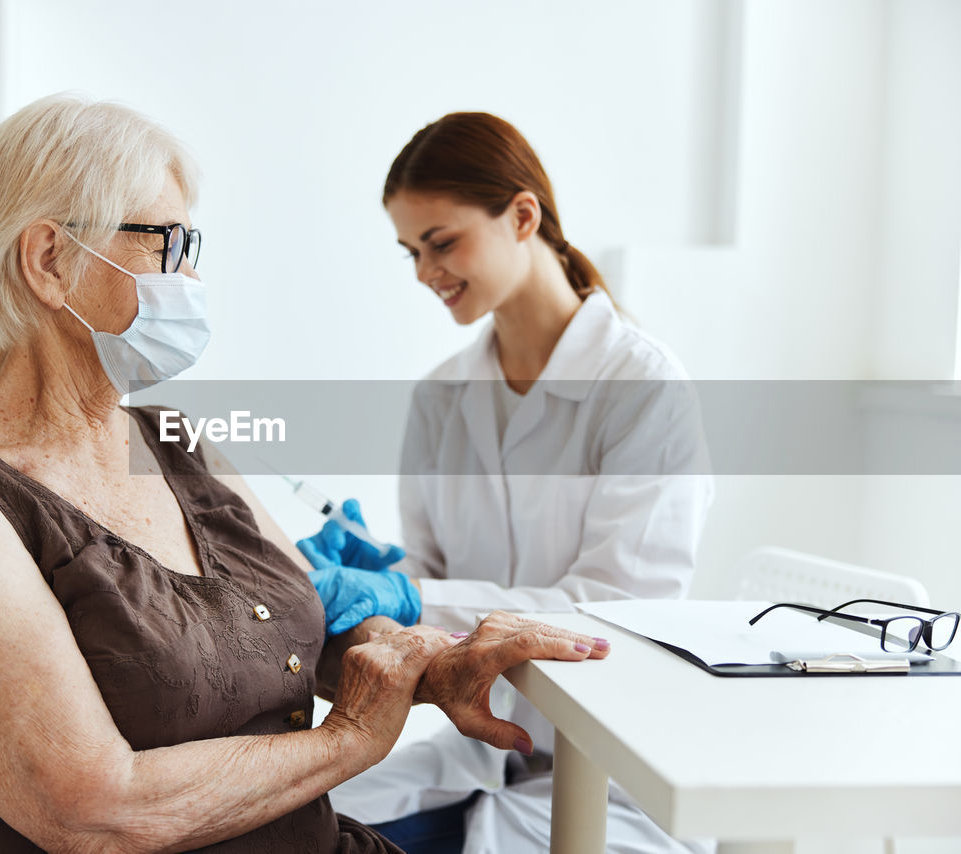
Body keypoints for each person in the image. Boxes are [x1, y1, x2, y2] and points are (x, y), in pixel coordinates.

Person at [0, 95, 613, 854]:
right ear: (50, 261)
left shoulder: (173, 440)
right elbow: (90, 812)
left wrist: (426, 659)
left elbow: (306, 633)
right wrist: (347, 738)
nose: (190, 276)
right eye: (169, 243)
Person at [298, 112, 715, 853]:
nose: (426, 273)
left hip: (613, 766)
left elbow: (616, 614)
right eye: (410, 253)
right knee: (292, 825)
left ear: (524, 216)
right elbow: (433, 580)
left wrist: (414, 596)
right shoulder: (439, 399)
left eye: (442, 242)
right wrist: (390, 573)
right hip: (489, 746)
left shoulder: (644, 389)